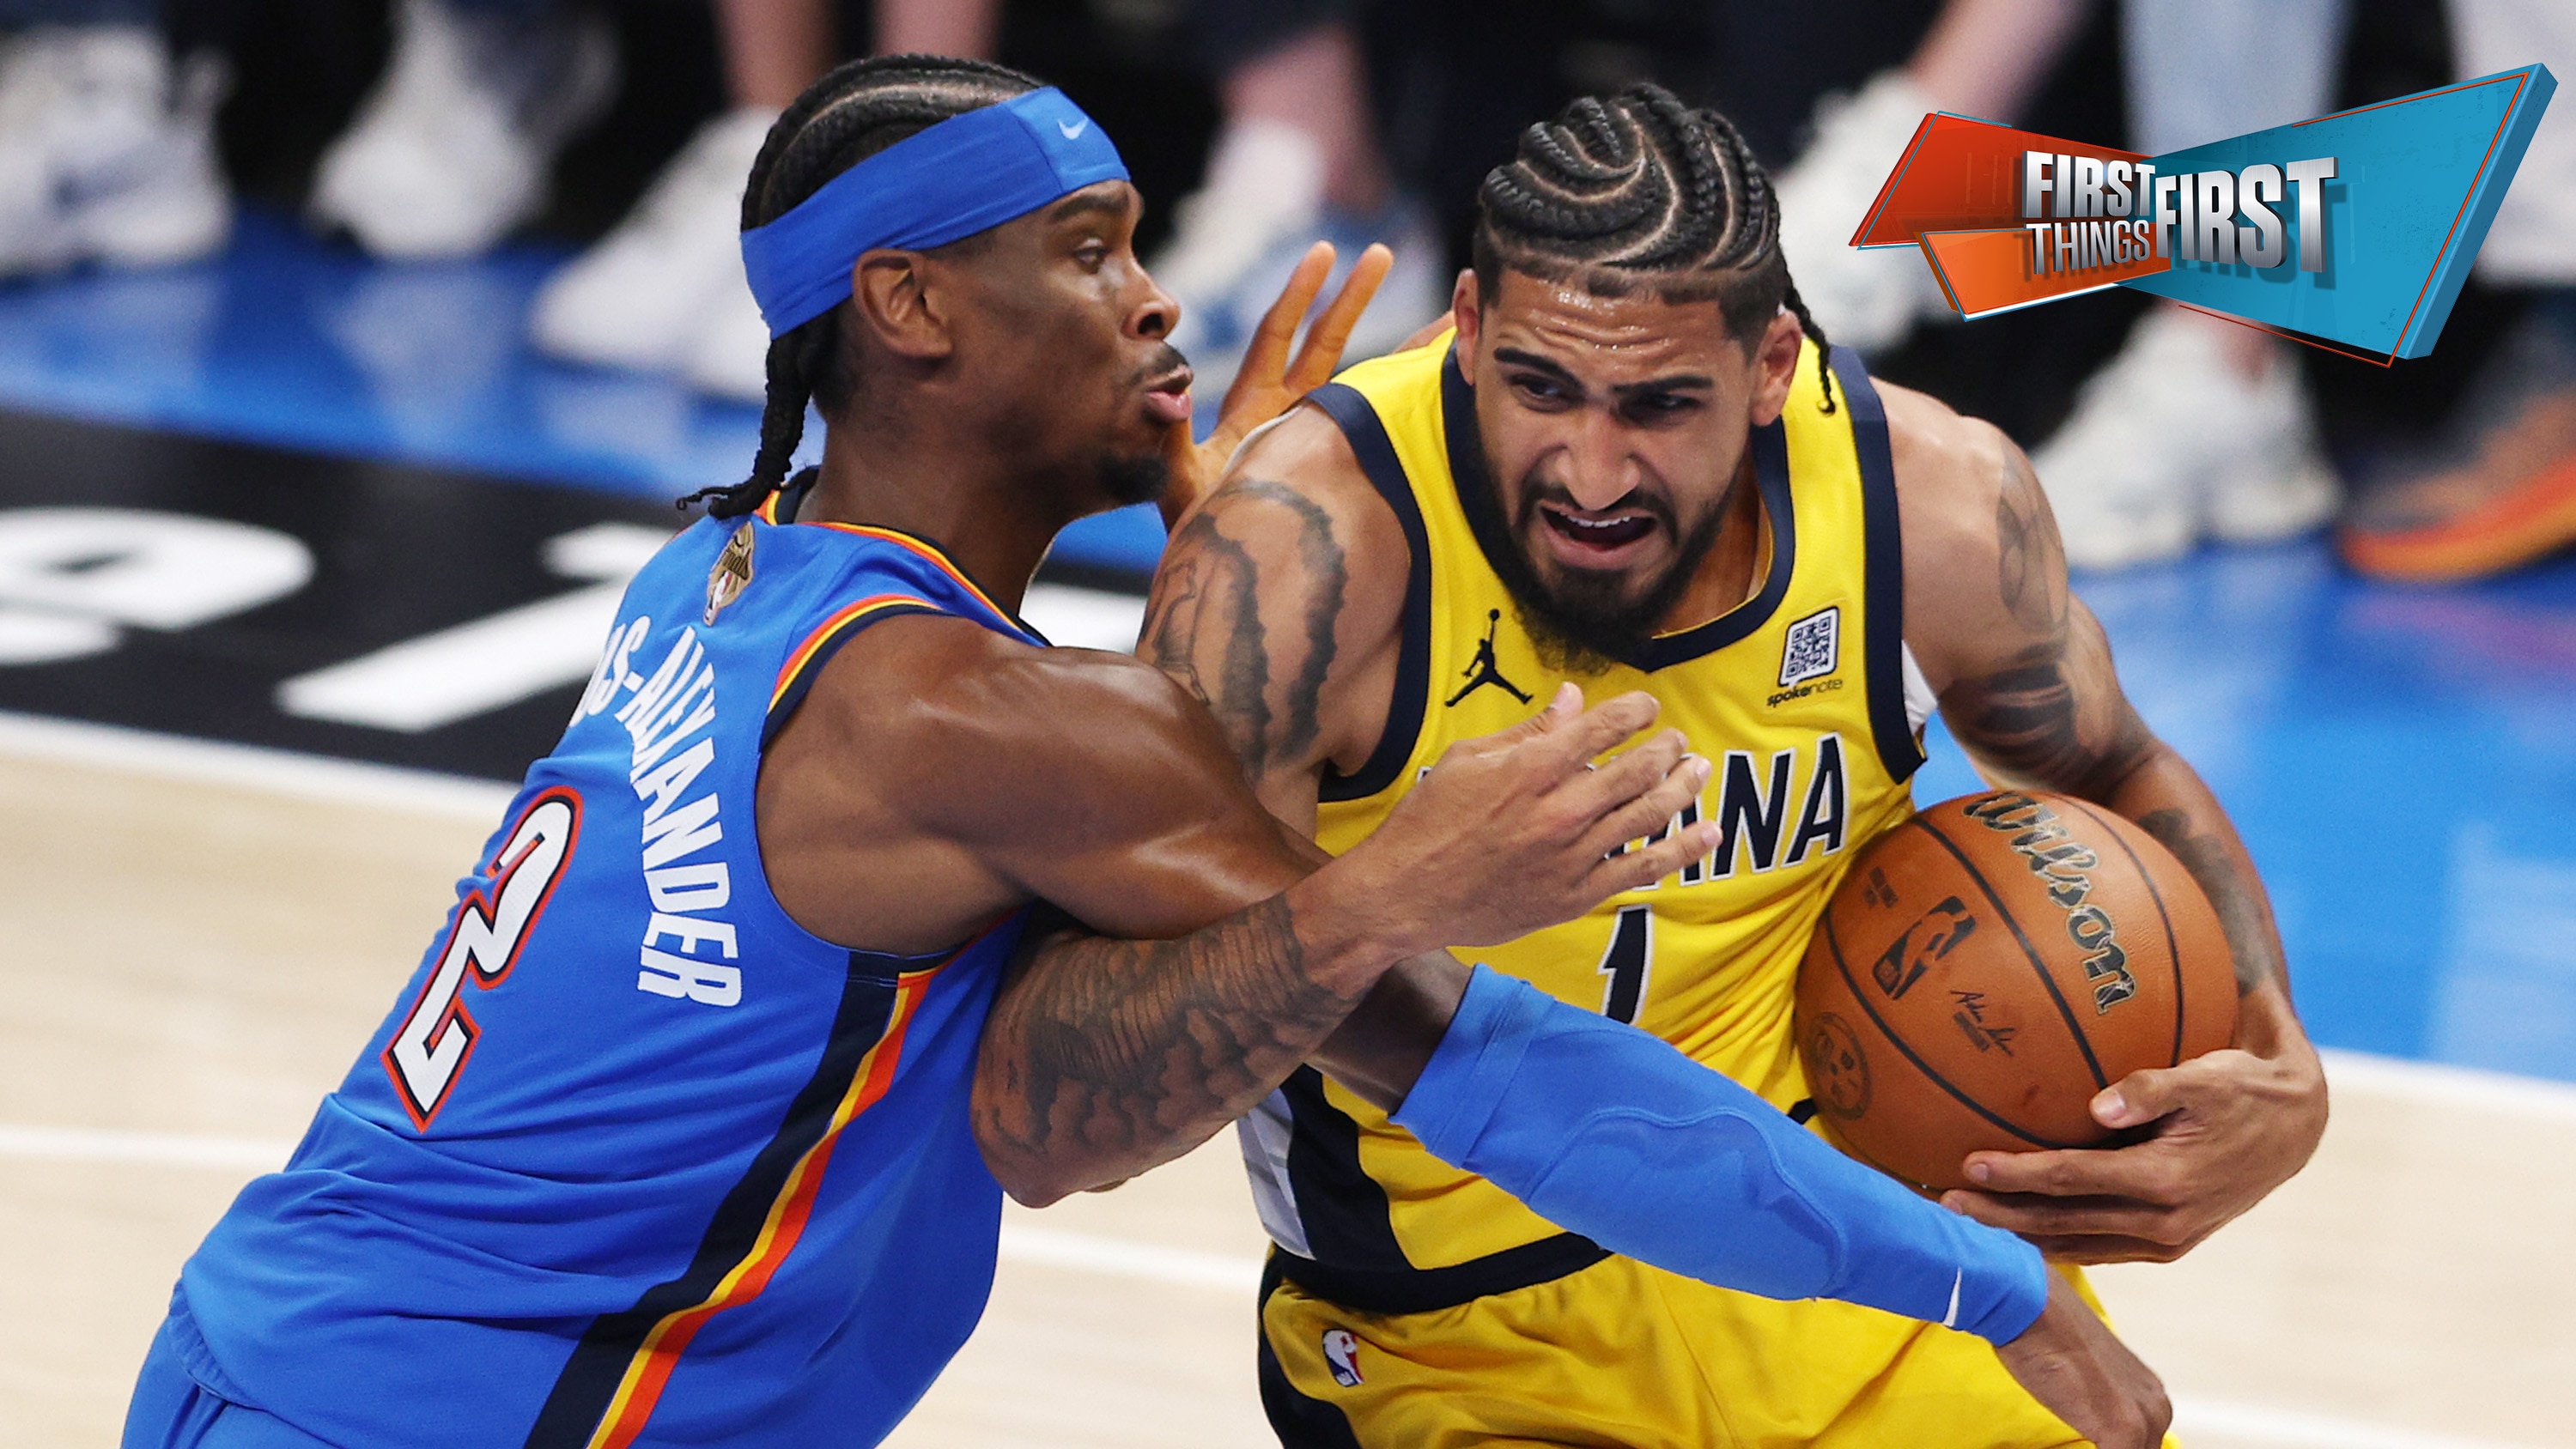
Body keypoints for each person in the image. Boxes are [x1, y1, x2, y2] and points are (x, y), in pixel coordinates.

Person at [121, 57, 2167, 1449]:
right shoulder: (970, 720)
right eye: (1091, 252)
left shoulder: (726, 571)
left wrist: (1215, 559)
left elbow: (1023, 796)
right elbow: (1518, 1087)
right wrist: (1979, 1279)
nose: (1156, 300)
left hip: (287, 1345)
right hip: (453, 1406)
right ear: (911, 305)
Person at [1143, 82, 2326, 1446]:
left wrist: (2278, 1061)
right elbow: (1125, 1055)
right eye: (1540, 389)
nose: (1593, 472)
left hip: (1861, 1258)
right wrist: (1214, 733)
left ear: (1772, 366)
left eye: (1658, 405)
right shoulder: (1311, 553)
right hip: (1455, 1329)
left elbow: (2114, 766)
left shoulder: (1928, 501)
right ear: (1467, 327)